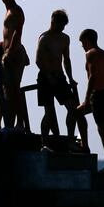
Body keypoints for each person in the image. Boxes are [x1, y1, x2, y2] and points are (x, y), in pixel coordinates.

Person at [35, 10, 88, 150]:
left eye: (64, 25)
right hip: (45, 78)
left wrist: (70, 78)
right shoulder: (44, 38)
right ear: (53, 21)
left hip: (60, 77)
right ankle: (44, 143)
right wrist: (48, 76)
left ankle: (71, 140)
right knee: (49, 112)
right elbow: (38, 60)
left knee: (72, 108)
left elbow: (67, 59)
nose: (62, 28)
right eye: (60, 25)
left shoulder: (65, 38)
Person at [77, 29, 104, 172]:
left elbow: (92, 77)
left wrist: (87, 100)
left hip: (99, 94)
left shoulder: (90, 54)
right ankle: (84, 145)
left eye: (82, 43)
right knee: (80, 113)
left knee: (103, 129)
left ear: (87, 40)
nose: (82, 46)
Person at [0, 0, 28, 131]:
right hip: (7, 52)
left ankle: (20, 124)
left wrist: (9, 51)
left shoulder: (16, 10)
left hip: (14, 53)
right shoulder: (8, 10)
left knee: (14, 89)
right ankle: (11, 124)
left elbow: (17, 32)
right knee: (8, 90)